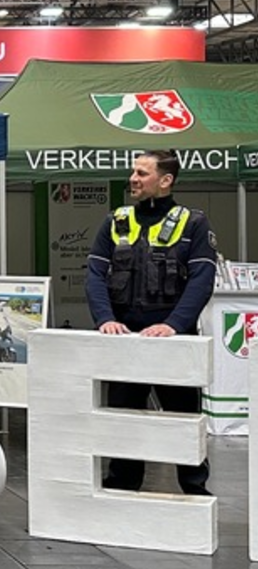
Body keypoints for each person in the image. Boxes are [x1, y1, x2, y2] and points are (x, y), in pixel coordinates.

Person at [85, 149, 215, 496]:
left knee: (183, 421)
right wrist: (105, 319)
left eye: (142, 173)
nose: (133, 178)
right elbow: (95, 275)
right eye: (133, 172)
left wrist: (174, 324)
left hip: (175, 342)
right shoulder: (115, 221)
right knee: (123, 420)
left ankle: (194, 489)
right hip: (126, 341)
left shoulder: (194, 224)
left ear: (166, 180)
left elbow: (203, 278)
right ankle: (122, 487)